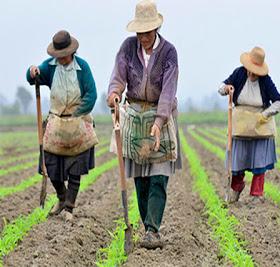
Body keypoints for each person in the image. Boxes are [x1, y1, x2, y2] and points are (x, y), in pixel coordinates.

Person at [107, 0, 181, 249]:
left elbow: (169, 91)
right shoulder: (128, 48)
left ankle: (152, 229)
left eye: (147, 32)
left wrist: (160, 121)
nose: (143, 37)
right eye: (139, 33)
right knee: (141, 178)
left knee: (159, 176)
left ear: (156, 29)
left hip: (162, 114)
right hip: (136, 114)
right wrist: (114, 94)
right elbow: (118, 76)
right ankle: (145, 224)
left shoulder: (169, 52)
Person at [27, 30, 97, 221]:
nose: (62, 59)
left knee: (75, 168)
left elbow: (91, 93)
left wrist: (77, 113)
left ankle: (69, 208)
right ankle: (61, 197)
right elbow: (34, 78)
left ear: (71, 52)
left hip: (78, 121)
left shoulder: (82, 67)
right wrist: (32, 71)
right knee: (50, 163)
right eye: (58, 56)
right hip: (56, 121)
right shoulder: (50, 67)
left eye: (64, 55)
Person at [219, 46, 280, 203]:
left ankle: (256, 194)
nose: (251, 74)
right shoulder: (239, 73)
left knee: (259, 161)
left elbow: (278, 102)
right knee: (237, 160)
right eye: (250, 70)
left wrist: (264, 115)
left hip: (259, 124)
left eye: (255, 72)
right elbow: (221, 87)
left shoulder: (266, 80)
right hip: (240, 123)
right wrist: (227, 88)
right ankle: (236, 188)